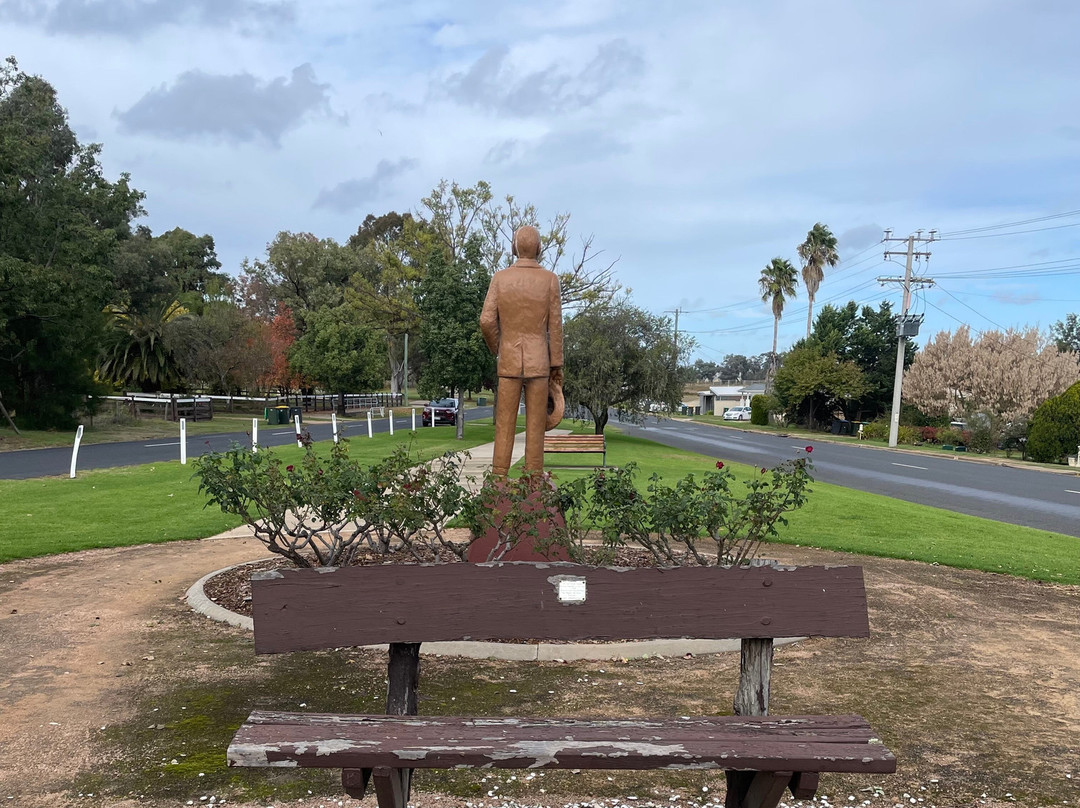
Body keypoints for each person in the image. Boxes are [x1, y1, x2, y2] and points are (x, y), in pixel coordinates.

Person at [479, 225, 563, 477]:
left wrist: (499, 348)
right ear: (539, 248)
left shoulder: (500, 278)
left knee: (505, 422)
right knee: (536, 425)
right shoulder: (550, 280)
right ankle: (534, 476)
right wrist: (556, 366)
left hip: (509, 360)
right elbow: (556, 329)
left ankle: (499, 476)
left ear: (514, 247)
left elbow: (486, 321)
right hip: (539, 362)